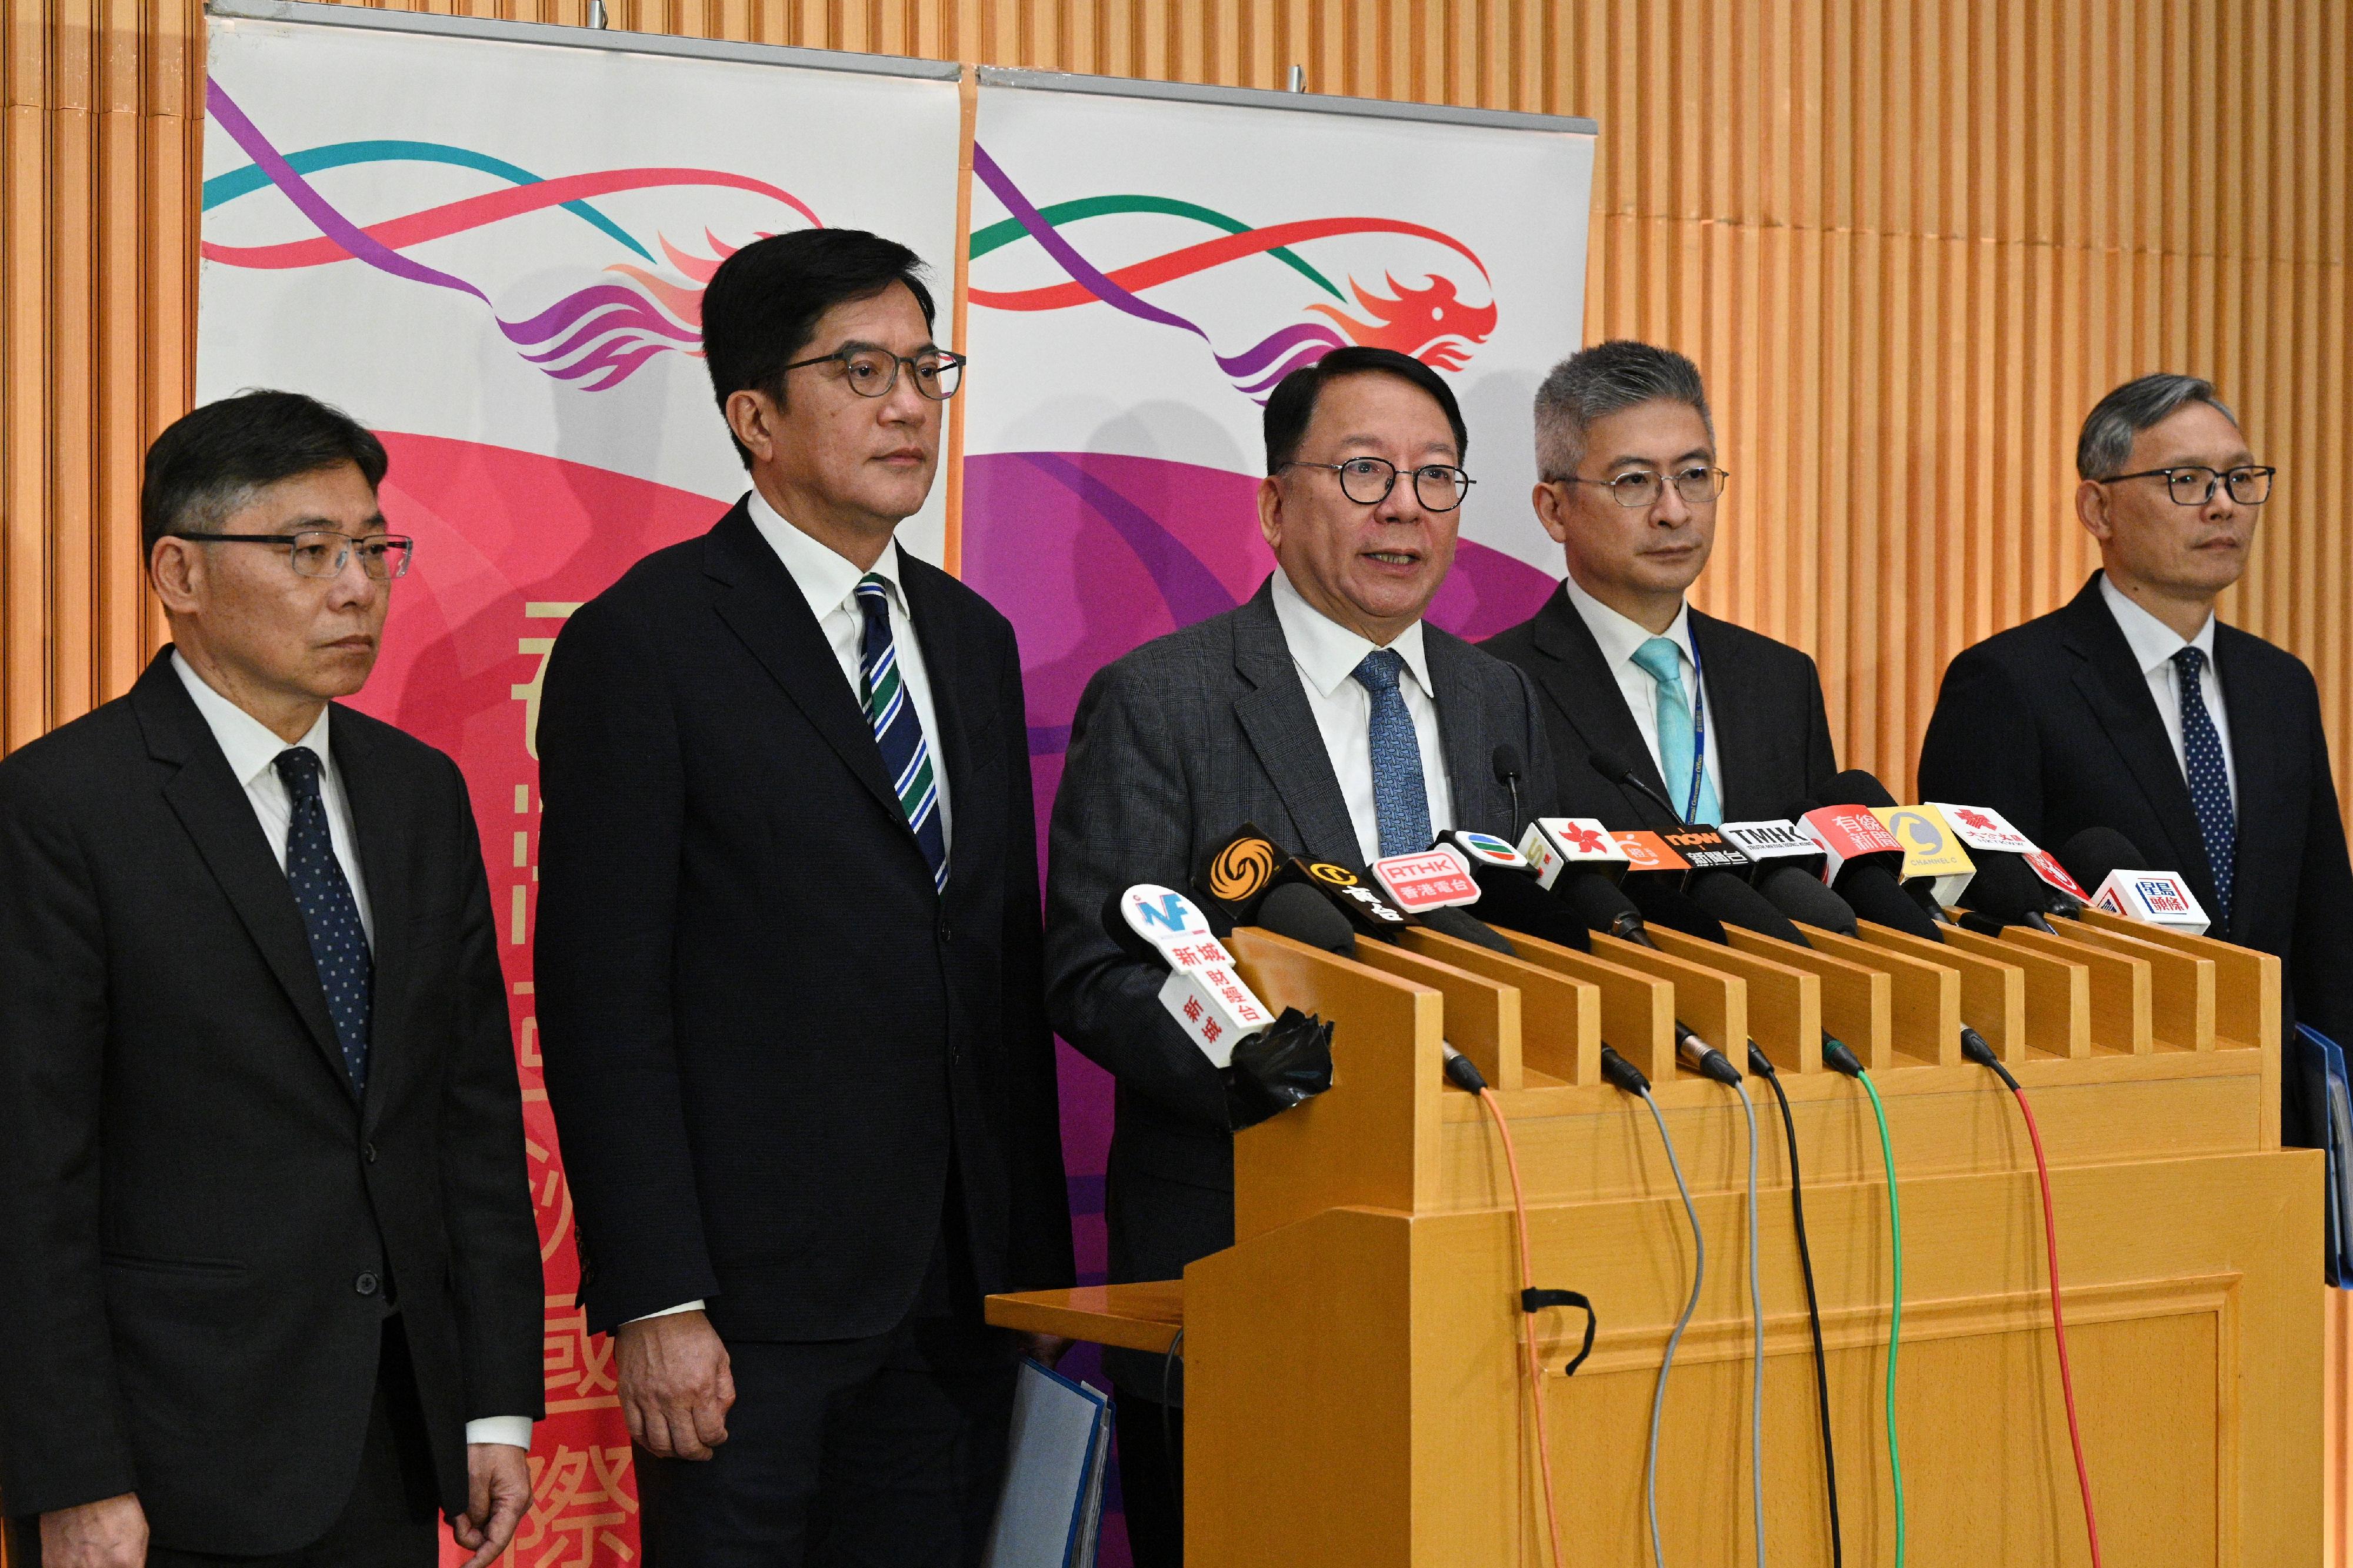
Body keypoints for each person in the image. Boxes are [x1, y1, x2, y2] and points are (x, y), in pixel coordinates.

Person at [532, 228, 1074, 1566]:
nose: (908, 403)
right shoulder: (642, 640)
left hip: (958, 1291)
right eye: (862, 369)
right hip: (746, 1313)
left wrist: (1031, 1263)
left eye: (924, 367)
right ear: (755, 417)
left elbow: (990, 957)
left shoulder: (970, 638)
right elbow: (604, 995)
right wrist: (656, 1291)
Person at [0, 391, 543, 1568]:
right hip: (167, 1460)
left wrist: (494, 1400)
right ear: (180, 572)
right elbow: (31, 1171)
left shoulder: (417, 794)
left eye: (372, 548)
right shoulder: (64, 807)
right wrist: (74, 1472)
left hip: (392, 1435)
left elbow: (470, 1118)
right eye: (306, 551)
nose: (358, 587)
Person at [1044, 345, 1555, 1566]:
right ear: (1274, 504)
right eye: (1365, 471)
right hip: (1243, 1251)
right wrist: (1237, 1058)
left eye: (1437, 479)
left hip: (1471, 1264)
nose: (1403, 509)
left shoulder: (1500, 703)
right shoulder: (1162, 701)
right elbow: (1091, 968)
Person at [1919, 371, 2353, 1129]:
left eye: (2239, 479)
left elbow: (2323, 928)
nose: (2222, 505)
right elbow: (1980, 935)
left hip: (2275, 1117)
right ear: (2097, 507)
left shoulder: (2280, 685)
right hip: (2099, 1112)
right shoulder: (2007, 683)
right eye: (2184, 480)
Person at [1484, 340, 1837, 827]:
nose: (1674, 511)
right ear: (1555, 510)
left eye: (1693, 475)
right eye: (1633, 481)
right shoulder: (1493, 688)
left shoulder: (1780, 682)